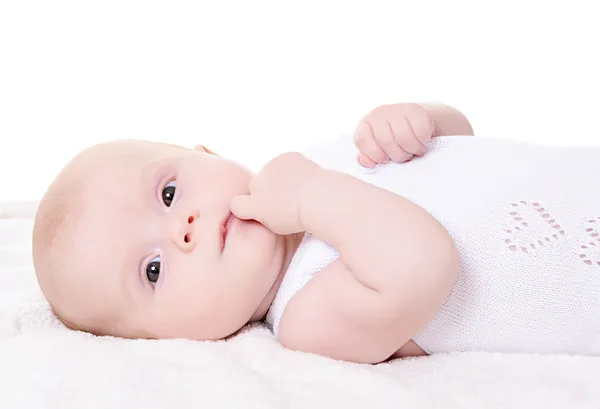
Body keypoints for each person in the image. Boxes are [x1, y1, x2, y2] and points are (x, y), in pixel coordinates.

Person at [32, 103, 600, 364]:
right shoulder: (308, 318)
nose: (183, 229)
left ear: (206, 153)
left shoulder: (315, 161)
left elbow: (460, 144)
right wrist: (309, 197)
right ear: (170, 339)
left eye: (169, 193)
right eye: (152, 270)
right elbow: (424, 263)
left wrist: (419, 121)